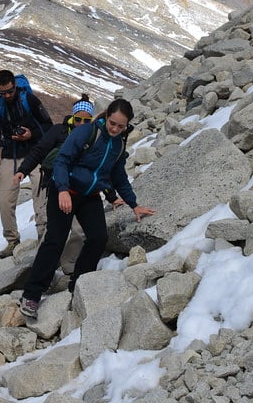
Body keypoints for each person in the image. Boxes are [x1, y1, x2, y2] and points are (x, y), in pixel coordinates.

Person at [19, 98, 155, 319]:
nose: (115, 129)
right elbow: (62, 160)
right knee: (55, 239)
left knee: (98, 238)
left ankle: (78, 284)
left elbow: (119, 177)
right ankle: (31, 295)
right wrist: (62, 189)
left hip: (89, 196)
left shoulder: (118, 145)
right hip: (65, 191)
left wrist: (134, 204)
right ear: (106, 116)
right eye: (112, 123)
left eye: (121, 126)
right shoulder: (87, 133)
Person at [14, 95, 112, 271]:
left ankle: (69, 264)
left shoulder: (93, 136)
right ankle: (41, 268)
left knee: (79, 229)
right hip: (54, 186)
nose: (82, 123)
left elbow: (100, 169)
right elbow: (39, 151)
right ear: (73, 117)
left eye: (86, 120)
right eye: (78, 119)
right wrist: (23, 170)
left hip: (80, 189)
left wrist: (111, 195)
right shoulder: (58, 131)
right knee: (50, 229)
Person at [0, 70, 54, 258]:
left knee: (40, 194)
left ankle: (44, 237)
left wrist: (31, 134)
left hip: (36, 152)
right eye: (2, 93)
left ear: (15, 85)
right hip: (10, 156)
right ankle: (12, 241)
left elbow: (49, 126)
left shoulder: (30, 100)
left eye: (9, 91)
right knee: (5, 200)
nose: (7, 95)